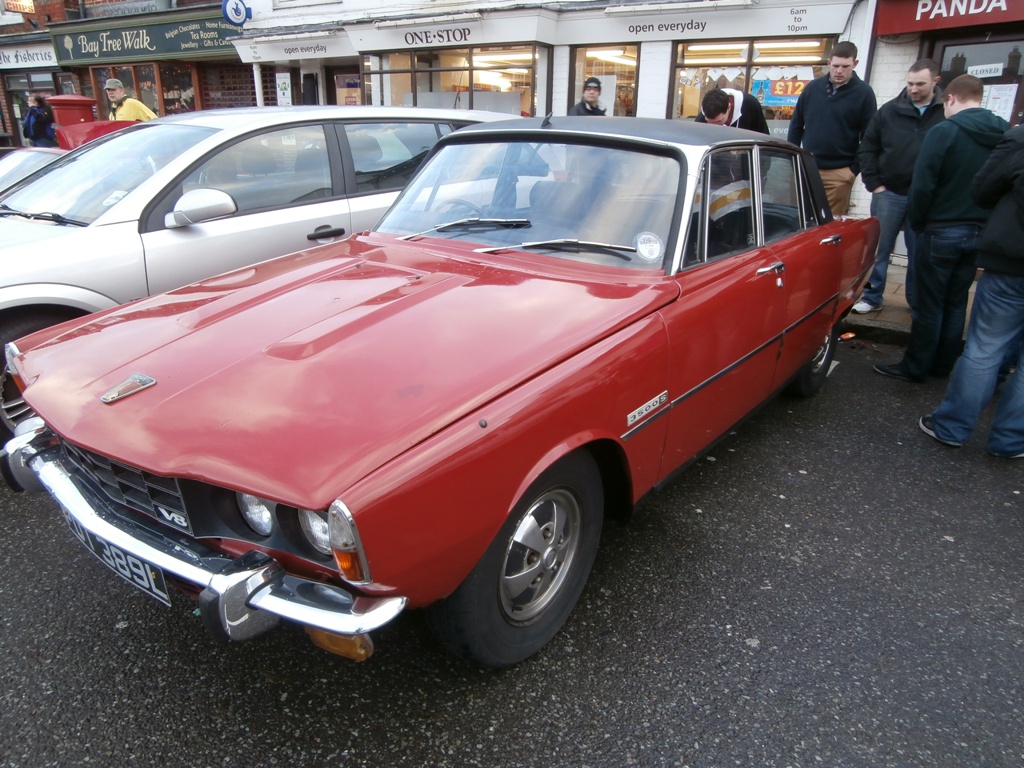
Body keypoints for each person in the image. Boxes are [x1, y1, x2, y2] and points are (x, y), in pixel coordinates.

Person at [874, 75, 1009, 383]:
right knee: (956, 300)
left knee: (929, 302)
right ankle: (943, 365)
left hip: (941, 228)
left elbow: (923, 185)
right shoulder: (1003, 132)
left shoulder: (944, 132)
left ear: (949, 99)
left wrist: (917, 223)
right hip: (980, 230)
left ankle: (916, 365)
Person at [919, 124, 1024, 459]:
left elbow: (981, 189)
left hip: (1013, 260)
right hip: (1010, 260)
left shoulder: (1019, 139)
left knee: (984, 349)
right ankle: (1010, 441)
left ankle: (951, 427)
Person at [854, 59, 945, 314]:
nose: (913, 89)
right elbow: (868, 147)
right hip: (889, 191)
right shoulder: (889, 110)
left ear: (935, 82)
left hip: (926, 195)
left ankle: (916, 301)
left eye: (920, 84)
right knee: (880, 247)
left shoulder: (945, 111)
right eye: (910, 83)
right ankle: (872, 296)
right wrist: (874, 184)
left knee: (920, 251)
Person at [787, 41, 876, 216]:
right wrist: (793, 158)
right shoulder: (813, 88)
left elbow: (870, 136)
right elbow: (796, 125)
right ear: (828, 63)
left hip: (840, 172)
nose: (839, 71)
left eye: (845, 66)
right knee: (799, 220)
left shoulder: (864, 93)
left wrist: (853, 170)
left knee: (830, 226)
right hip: (807, 167)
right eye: (835, 65)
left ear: (855, 64)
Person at [695, 88, 769, 134]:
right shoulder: (702, 117)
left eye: (718, 121)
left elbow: (764, 138)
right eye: (709, 122)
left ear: (729, 107)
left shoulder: (750, 105)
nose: (713, 126)